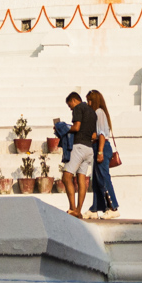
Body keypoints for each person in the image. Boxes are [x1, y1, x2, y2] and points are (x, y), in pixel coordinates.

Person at [60, 90, 97, 218]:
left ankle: (72, 208)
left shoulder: (78, 108)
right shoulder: (92, 112)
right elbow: (94, 135)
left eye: (70, 105)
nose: (70, 108)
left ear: (74, 100)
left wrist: (63, 128)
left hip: (79, 146)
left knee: (66, 177)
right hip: (89, 149)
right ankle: (78, 210)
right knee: (81, 179)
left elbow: (76, 127)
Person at [86, 88, 120, 218]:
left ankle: (113, 207)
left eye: (89, 100)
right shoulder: (99, 113)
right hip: (98, 146)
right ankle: (95, 208)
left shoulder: (99, 112)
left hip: (102, 147)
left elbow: (101, 134)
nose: (88, 103)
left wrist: (100, 151)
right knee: (96, 180)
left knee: (104, 178)